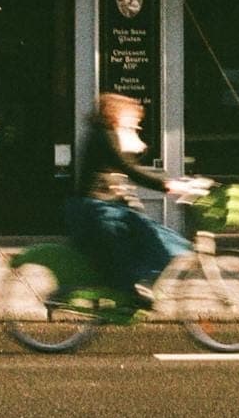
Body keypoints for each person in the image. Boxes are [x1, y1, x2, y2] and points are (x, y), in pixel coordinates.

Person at [67, 92, 209, 308]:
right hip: (96, 207)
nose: (135, 122)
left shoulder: (108, 134)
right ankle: (134, 287)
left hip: (105, 204)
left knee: (153, 233)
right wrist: (169, 185)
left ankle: (136, 286)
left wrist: (176, 181)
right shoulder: (104, 135)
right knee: (154, 235)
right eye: (132, 118)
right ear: (116, 114)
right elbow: (128, 169)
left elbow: (128, 165)